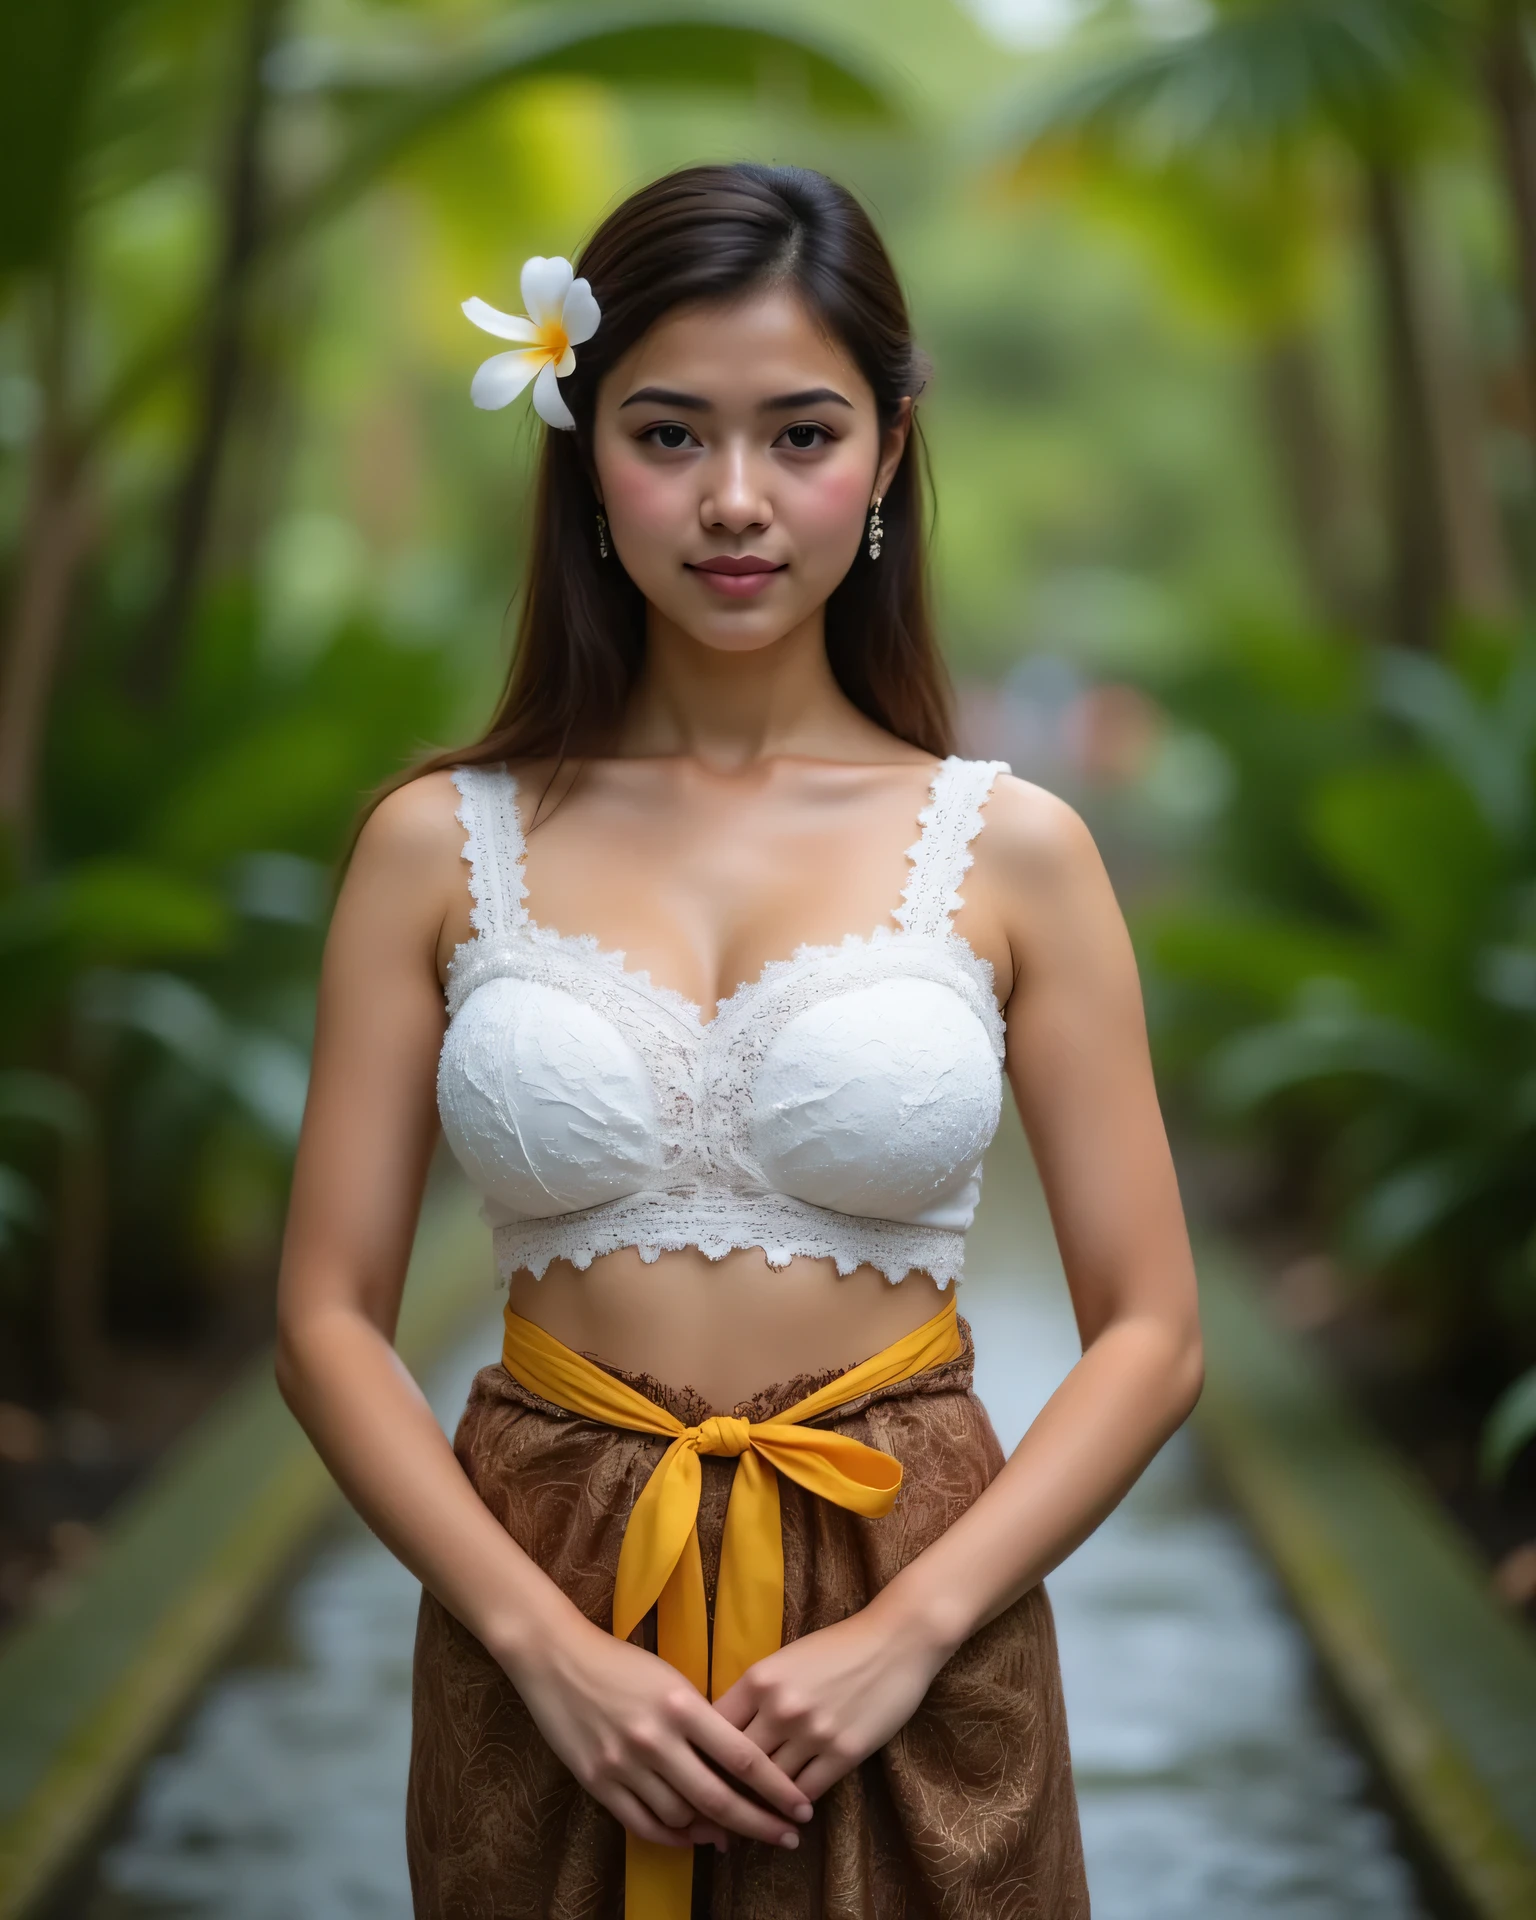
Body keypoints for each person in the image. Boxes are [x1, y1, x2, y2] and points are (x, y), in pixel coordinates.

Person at [274, 163, 1203, 1920]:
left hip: (913, 1589)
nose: (734, 501)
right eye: (669, 433)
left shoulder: (1016, 851)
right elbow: (326, 1318)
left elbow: (1152, 1333)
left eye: (800, 434)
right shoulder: (432, 846)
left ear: (889, 456)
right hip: (544, 1584)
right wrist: (541, 1647)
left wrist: (914, 1632)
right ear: (579, 450)